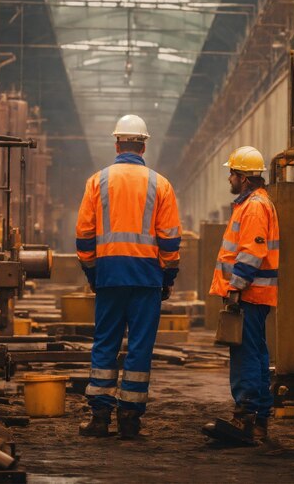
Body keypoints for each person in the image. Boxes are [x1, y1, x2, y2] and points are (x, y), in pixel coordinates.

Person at [76, 114, 181, 439]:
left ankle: (99, 418)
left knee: (105, 342)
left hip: (109, 275)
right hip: (146, 277)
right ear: (144, 145)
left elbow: (83, 236)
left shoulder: (98, 181)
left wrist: (92, 271)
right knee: (139, 347)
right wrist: (168, 275)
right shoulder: (160, 184)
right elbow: (170, 239)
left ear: (117, 142)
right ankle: (130, 420)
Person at [204, 146, 279, 445]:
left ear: (245, 178)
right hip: (255, 295)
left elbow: (251, 252)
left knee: (246, 355)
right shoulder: (254, 203)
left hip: (249, 294)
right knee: (257, 355)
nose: (229, 178)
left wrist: (235, 287)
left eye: (232, 173)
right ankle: (259, 420)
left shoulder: (255, 207)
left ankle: (245, 417)